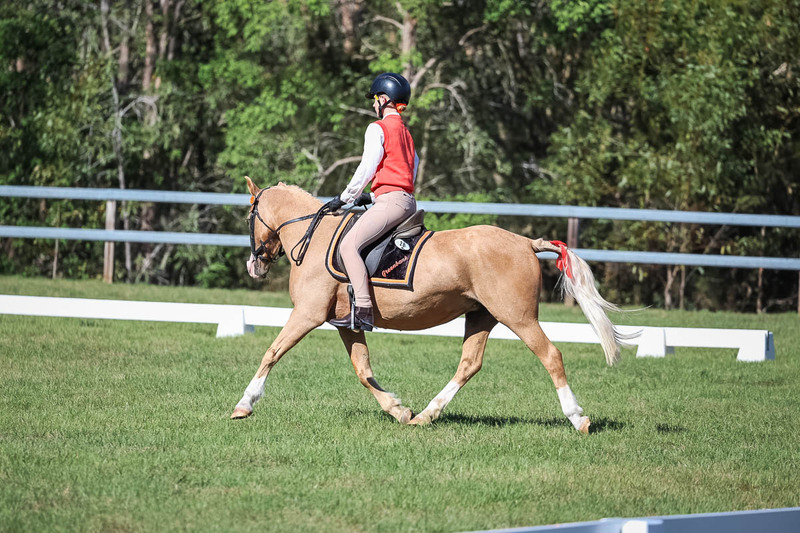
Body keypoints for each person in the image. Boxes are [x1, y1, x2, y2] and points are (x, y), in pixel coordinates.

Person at [328, 72, 419, 332]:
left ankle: (363, 311)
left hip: (391, 203)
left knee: (348, 246)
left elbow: (366, 169)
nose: (373, 105)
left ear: (384, 99)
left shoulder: (377, 129)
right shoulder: (406, 133)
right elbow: (411, 171)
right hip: (407, 201)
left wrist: (345, 198)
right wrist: (374, 195)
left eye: (375, 99)